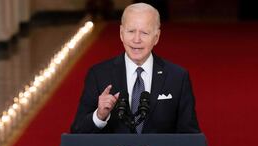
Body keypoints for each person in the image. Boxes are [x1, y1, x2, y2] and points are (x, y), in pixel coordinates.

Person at [70, 3, 200, 134]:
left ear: (156, 37)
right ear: (121, 33)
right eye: (131, 31)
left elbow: (190, 137)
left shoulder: (177, 77)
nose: (136, 39)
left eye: (144, 33)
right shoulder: (98, 75)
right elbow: (77, 132)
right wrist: (99, 116)